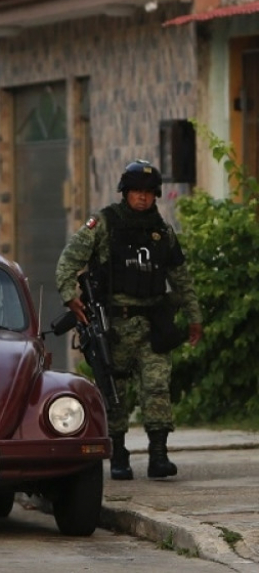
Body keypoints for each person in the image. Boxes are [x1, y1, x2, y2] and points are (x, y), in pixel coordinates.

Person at [56, 159, 203, 481]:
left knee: (157, 387)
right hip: (116, 326)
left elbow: (181, 278)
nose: (143, 197)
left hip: (154, 324)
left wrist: (194, 318)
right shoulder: (105, 223)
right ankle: (119, 454)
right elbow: (70, 259)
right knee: (115, 391)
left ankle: (159, 455)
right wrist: (70, 295)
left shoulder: (162, 232)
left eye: (149, 192)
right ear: (125, 192)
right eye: (137, 191)